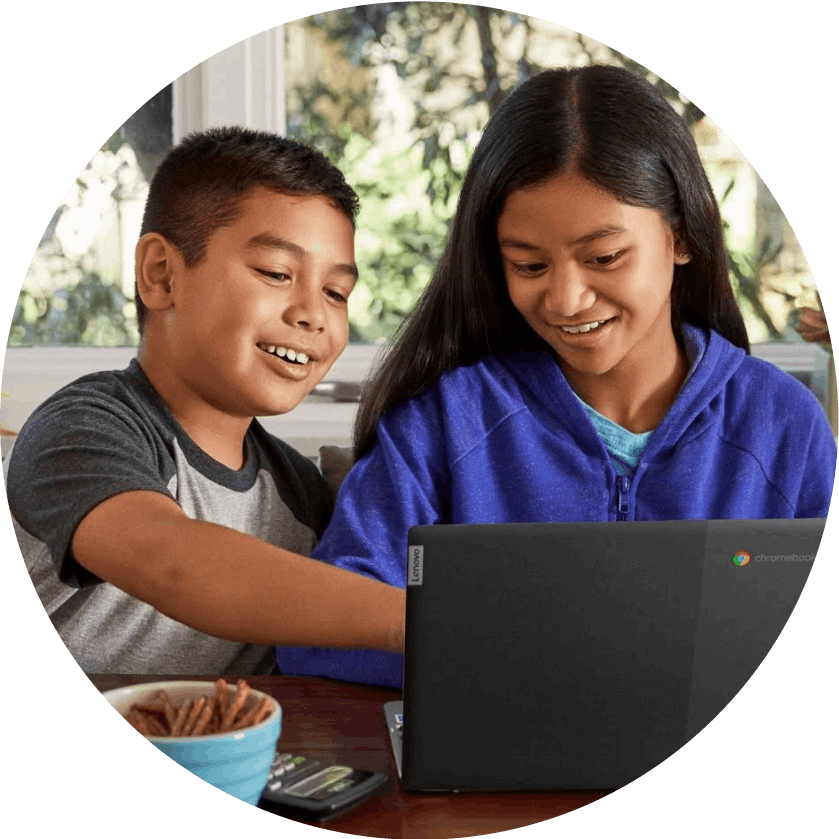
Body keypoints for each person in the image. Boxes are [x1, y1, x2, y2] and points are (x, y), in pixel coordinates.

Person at [275, 65, 837, 688]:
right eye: (529, 264)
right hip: (488, 782)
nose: (566, 299)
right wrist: (518, 655)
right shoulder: (442, 423)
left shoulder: (783, 423)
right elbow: (316, 639)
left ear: (680, 236)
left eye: (604, 258)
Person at [5, 127, 404, 674]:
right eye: (276, 274)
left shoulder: (298, 496)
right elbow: (173, 561)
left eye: (337, 293)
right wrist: (417, 619)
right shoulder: (84, 427)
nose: (314, 314)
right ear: (162, 275)